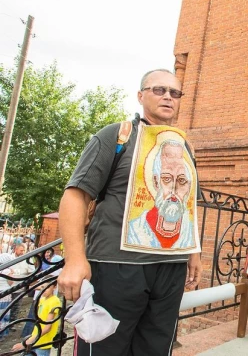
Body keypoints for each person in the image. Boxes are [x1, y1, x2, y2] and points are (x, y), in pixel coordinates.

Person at [58, 69, 203, 356]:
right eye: (159, 90)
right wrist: (74, 259)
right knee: (104, 350)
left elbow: (188, 206)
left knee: (156, 349)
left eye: (175, 93)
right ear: (140, 95)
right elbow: (75, 195)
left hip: (170, 269)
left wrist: (193, 254)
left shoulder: (185, 146)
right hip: (117, 266)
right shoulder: (117, 136)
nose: (167, 97)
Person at [126, 139, 196, 249]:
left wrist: (195, 256)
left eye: (182, 180)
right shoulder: (135, 229)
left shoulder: (188, 231)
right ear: (155, 181)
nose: (174, 190)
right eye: (167, 179)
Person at [11, 278, 62, 356]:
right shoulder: (42, 299)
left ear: (54, 287)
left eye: (47, 287)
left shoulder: (54, 301)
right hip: (35, 338)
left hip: (43, 341)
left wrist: (28, 341)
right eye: (42, 287)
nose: (44, 289)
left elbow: (47, 327)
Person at [0, 252, 15, 338]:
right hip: (5, 294)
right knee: (3, 313)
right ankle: (2, 333)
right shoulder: (7, 270)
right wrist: (12, 273)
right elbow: (10, 282)